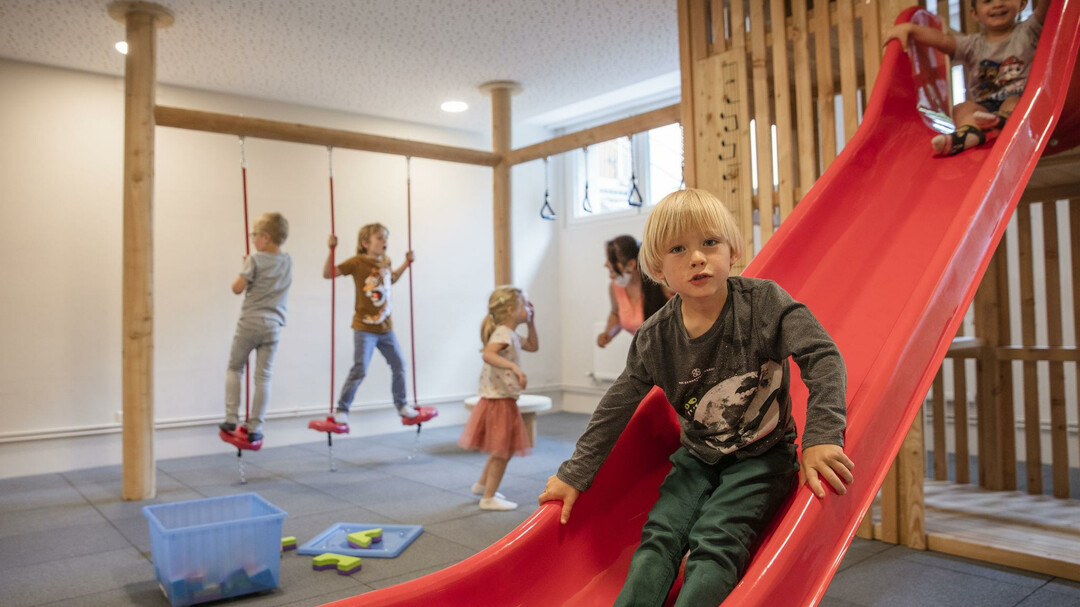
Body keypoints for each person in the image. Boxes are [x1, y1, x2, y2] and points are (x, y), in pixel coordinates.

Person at [538, 189, 854, 606]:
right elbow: (617, 404)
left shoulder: (763, 305)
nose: (697, 258)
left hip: (764, 457)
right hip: (697, 457)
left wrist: (822, 436)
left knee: (716, 540)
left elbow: (823, 356)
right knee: (659, 539)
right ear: (658, 269)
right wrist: (575, 473)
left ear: (732, 251)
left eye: (710, 242)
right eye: (678, 249)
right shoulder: (656, 337)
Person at [886, 0, 1047, 155]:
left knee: (1012, 101)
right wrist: (911, 29)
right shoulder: (973, 45)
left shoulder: (1029, 31)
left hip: (1020, 101)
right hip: (984, 108)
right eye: (987, 1)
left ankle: (1005, 121)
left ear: (1023, 3)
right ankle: (970, 132)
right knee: (961, 108)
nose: (997, 4)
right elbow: (943, 40)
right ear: (974, 13)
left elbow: (1045, 9)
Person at [324, 223, 419, 427]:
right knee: (360, 369)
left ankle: (402, 405)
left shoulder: (386, 261)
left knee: (399, 365)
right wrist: (331, 250)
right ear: (365, 243)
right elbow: (328, 273)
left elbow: (392, 279)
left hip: (386, 328)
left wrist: (406, 263)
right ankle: (342, 409)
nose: (385, 242)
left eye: (386, 238)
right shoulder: (357, 262)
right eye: (379, 238)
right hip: (364, 328)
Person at [458, 286, 538, 511]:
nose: (528, 308)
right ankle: (488, 498)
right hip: (499, 399)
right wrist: (514, 367)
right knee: (504, 450)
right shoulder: (503, 333)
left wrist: (531, 322)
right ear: (512, 310)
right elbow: (488, 354)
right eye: (525, 305)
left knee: (503, 447)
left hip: (502, 397)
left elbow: (533, 346)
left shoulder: (510, 334)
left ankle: (482, 485)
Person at [219, 212, 293, 444]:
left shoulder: (255, 259)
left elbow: (236, 288)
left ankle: (231, 418)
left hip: (250, 322)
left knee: (235, 368)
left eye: (255, 235)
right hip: (274, 325)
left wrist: (245, 268)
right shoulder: (287, 261)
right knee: (264, 377)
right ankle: (256, 426)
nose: (253, 239)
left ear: (266, 237)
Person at [597, 234, 671, 348]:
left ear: (631, 264)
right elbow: (616, 313)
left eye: (612, 260)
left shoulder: (661, 284)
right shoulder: (615, 287)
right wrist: (608, 333)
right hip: (646, 351)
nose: (606, 264)